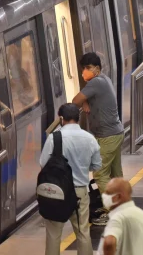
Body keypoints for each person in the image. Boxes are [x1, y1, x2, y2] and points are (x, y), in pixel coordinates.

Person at [41, 104, 101, 255]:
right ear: (78, 118)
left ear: (61, 118)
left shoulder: (54, 138)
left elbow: (43, 163)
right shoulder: (90, 139)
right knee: (82, 232)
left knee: (54, 235)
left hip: (57, 192)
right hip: (80, 192)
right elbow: (96, 165)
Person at [71, 52, 123, 222]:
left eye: (88, 68)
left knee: (100, 174)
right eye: (83, 68)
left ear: (97, 69)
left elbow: (75, 100)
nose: (84, 72)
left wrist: (82, 101)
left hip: (107, 136)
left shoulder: (96, 82)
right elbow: (82, 99)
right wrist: (86, 102)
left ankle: (111, 213)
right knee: (115, 174)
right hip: (114, 133)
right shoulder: (103, 80)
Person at [99, 178, 143, 255]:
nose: (104, 195)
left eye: (108, 193)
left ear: (118, 197)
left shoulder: (118, 217)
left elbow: (109, 243)